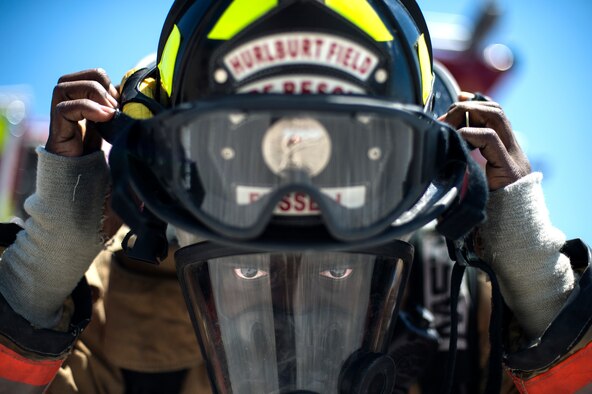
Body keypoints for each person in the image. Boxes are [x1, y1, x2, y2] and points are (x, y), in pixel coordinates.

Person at [0, 1, 591, 393]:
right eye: (243, 152)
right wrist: (43, 268)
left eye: (348, 155)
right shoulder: (110, 312)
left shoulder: (466, 320)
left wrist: (537, 278)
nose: (296, 190)